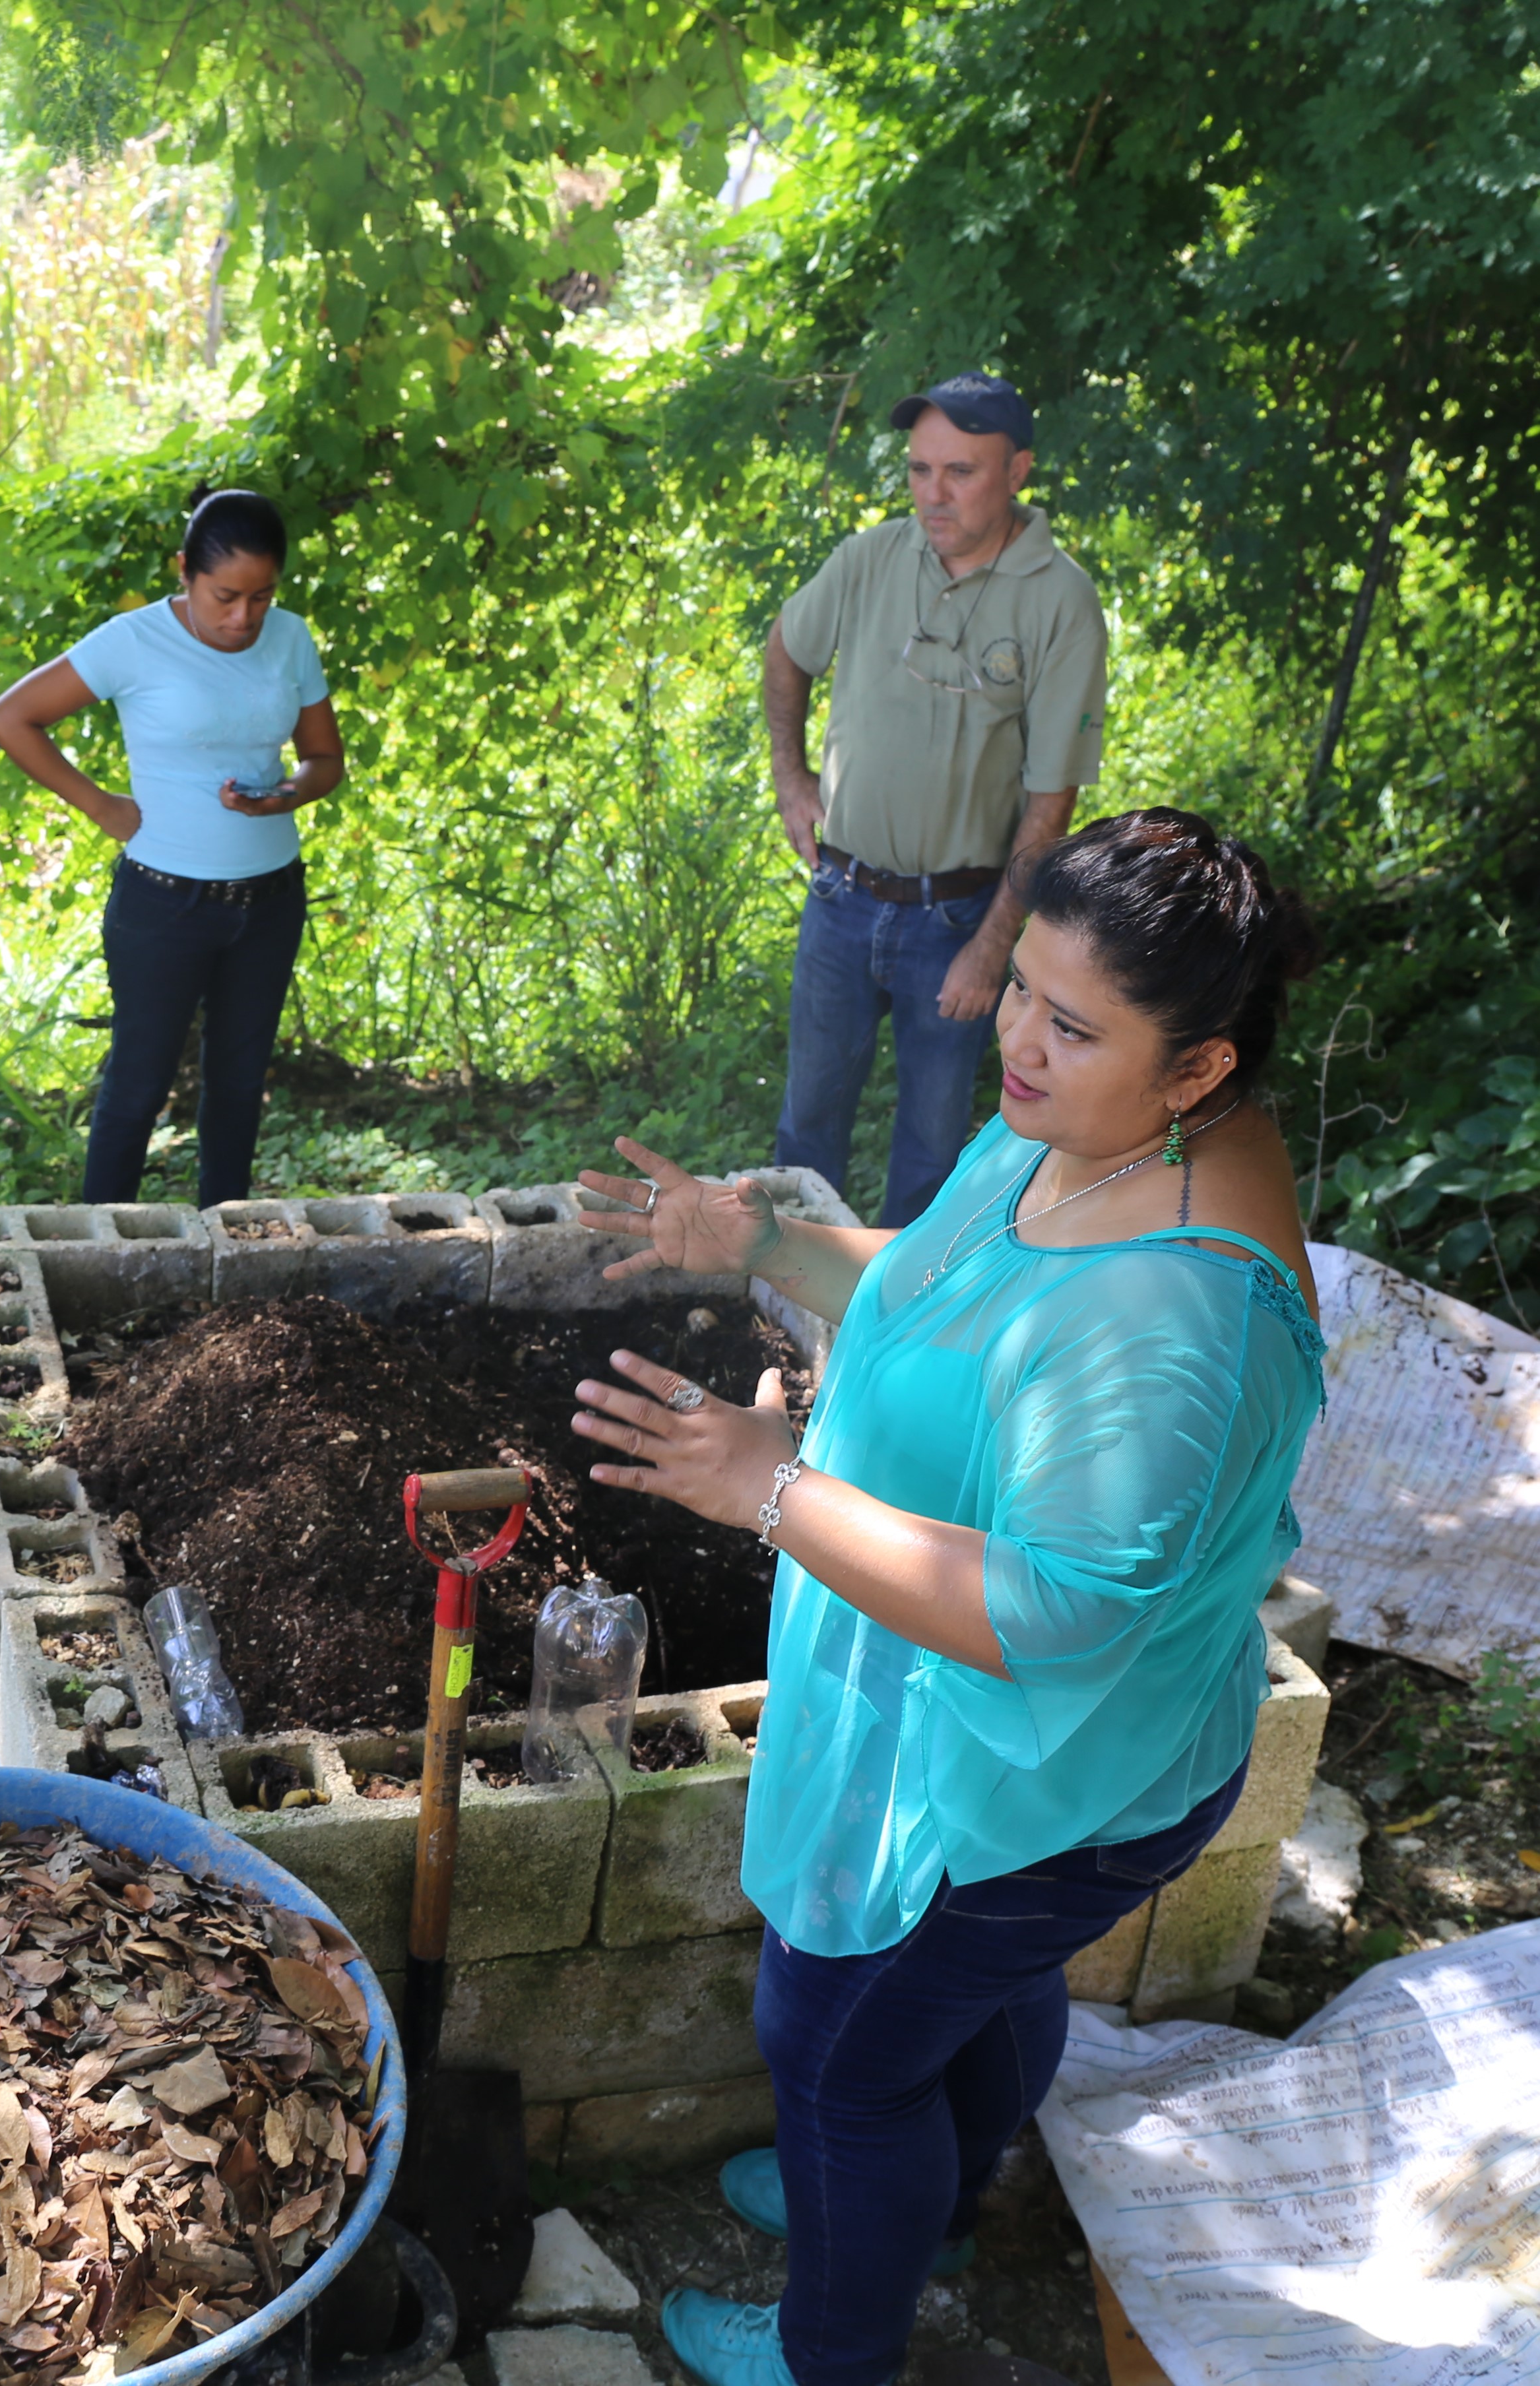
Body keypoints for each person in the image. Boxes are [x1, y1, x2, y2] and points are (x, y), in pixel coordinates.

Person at [571, 809, 1324, 2386]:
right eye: (1020, 989)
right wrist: (764, 1237)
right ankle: (934, 2197)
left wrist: (766, 1486)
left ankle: (831, 2341)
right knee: (954, 2007)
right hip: (980, 1727)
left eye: (1068, 1022)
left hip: (1043, 1763)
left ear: (1195, 1069)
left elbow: (1057, 1611)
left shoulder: (1168, 1318)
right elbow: (943, 1280)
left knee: (835, 2054)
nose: (1013, 1040)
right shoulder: (1087, 1125)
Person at [767, 371, 1108, 1225]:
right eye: (921, 470)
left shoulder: (1059, 600)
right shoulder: (872, 557)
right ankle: (785, 1313)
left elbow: (1049, 804)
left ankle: (896, 1335)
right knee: (806, 1130)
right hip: (841, 899)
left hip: (956, 921)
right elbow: (786, 649)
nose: (933, 493)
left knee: (929, 1155)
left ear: (1019, 471)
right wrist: (791, 778)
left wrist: (994, 951)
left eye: (961, 471)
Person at [0, 488, 345, 1208]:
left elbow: (324, 759)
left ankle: (227, 1251)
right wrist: (101, 806)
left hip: (270, 900)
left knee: (240, 1083)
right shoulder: (133, 641)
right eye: (225, 596)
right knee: (138, 1086)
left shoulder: (292, 639)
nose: (243, 617)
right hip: (164, 904)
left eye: (261, 597)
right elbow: (11, 718)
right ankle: (99, 1257)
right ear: (183, 570)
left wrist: (287, 795)